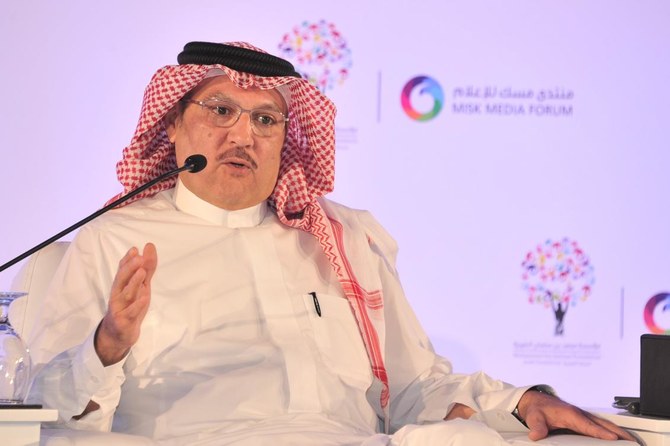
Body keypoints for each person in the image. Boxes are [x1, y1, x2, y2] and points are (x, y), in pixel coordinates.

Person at [25, 41, 637, 445]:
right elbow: (44, 413)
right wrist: (106, 347)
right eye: (220, 111)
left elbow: (415, 386)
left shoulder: (342, 237)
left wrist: (522, 401)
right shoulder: (113, 242)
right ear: (174, 125)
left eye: (266, 120)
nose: (244, 135)